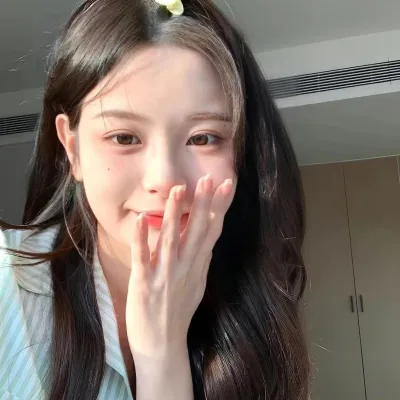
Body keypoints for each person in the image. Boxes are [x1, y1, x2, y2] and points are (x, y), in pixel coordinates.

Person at [0, 0, 310, 399]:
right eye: (124, 137)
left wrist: (162, 356)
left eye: (203, 138)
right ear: (72, 149)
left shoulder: (255, 312)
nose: (165, 179)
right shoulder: (7, 282)